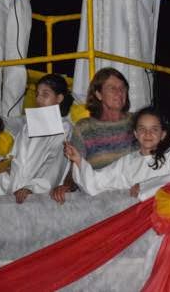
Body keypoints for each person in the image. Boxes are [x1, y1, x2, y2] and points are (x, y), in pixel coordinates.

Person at [64, 107, 170, 200]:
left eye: (154, 129)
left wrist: (144, 186)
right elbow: (96, 183)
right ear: (135, 133)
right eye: (142, 129)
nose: (148, 134)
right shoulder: (127, 163)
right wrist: (78, 160)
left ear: (163, 134)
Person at [50, 68, 136, 203]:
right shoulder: (84, 127)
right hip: (99, 199)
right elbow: (76, 168)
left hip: (134, 196)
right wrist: (66, 186)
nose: (119, 93)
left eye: (123, 88)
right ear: (98, 94)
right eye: (112, 88)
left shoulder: (138, 122)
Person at [8, 74, 74, 203]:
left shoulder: (64, 128)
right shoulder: (27, 127)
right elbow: (15, 160)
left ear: (59, 98)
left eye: (45, 94)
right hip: (16, 194)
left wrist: (32, 188)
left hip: (41, 196)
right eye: (37, 94)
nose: (38, 99)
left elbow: (55, 164)